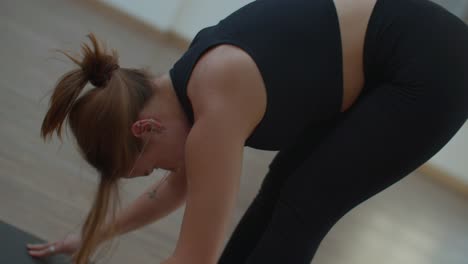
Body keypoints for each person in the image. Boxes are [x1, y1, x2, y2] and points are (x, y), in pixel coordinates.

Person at [27, 0, 468, 263]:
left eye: (153, 166)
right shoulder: (189, 86)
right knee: (283, 186)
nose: (169, 171)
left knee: (303, 202)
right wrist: (93, 234)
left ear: (145, 127)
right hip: (399, 57)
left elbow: (194, 258)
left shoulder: (217, 96)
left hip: (432, 72)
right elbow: (182, 186)